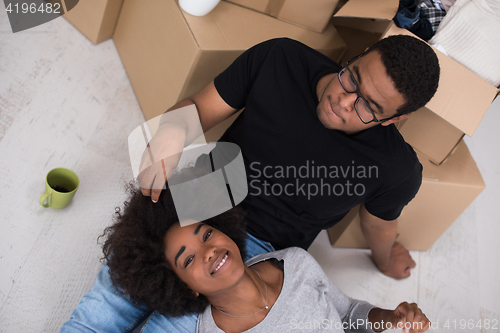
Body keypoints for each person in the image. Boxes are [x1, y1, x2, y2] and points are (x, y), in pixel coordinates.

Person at [61, 36, 440, 332]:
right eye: (352, 77)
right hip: (200, 199)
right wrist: (172, 130)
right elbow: (198, 108)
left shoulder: (396, 169)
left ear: (395, 119)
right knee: (100, 314)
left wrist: (386, 261)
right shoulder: (282, 59)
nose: (344, 100)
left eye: (368, 106)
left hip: (261, 253)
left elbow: (377, 224)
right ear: (361, 53)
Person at [100, 178, 430, 333]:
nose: (209, 251)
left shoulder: (294, 262)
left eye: (207, 234)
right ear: (186, 287)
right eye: (188, 260)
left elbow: (348, 315)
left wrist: (393, 318)